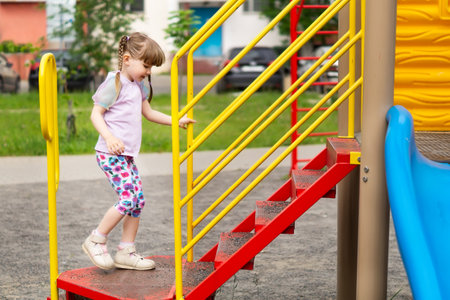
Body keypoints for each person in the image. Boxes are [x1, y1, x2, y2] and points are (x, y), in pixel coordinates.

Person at [82, 32, 195, 271]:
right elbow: (95, 114)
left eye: (152, 67)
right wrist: (109, 137)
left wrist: (176, 120)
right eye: (146, 65)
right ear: (126, 59)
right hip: (110, 154)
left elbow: (149, 113)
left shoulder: (139, 85)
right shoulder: (114, 83)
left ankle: (126, 251)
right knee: (128, 198)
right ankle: (96, 239)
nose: (149, 71)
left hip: (126, 156)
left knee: (137, 201)